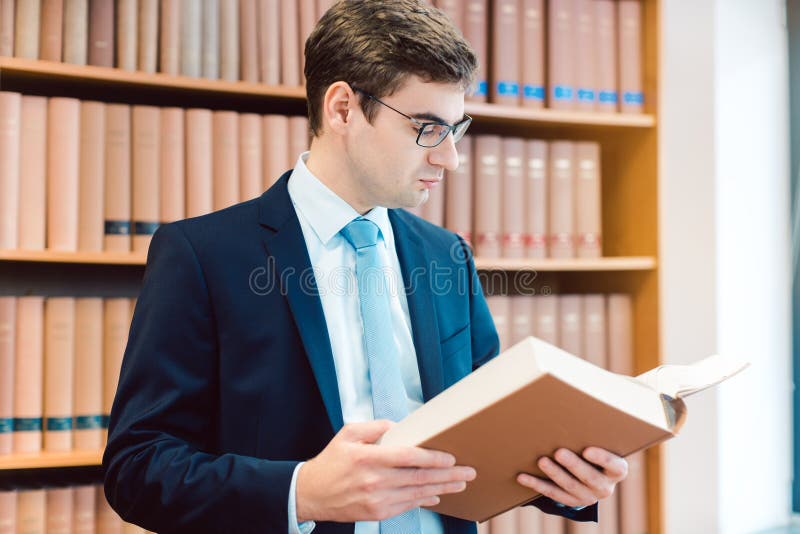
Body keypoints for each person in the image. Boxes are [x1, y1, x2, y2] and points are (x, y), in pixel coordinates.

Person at [103, 1, 628, 533]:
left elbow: (490, 428)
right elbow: (138, 467)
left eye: (456, 129)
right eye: (427, 128)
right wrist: (300, 492)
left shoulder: (446, 254)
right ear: (343, 110)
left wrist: (564, 479)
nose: (450, 158)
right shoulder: (202, 254)